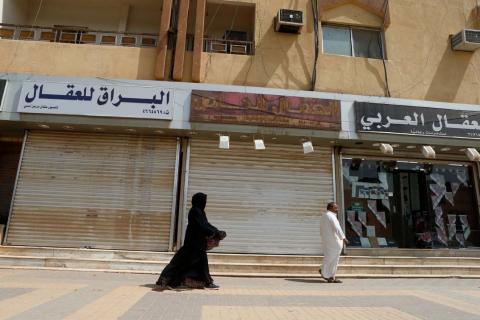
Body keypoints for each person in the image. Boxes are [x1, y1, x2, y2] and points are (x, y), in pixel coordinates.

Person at [156, 192, 226, 290]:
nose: (205, 202)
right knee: (185, 263)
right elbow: (202, 225)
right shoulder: (195, 211)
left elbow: (206, 224)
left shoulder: (200, 211)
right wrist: (215, 232)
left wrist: (216, 231)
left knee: (197, 263)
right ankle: (171, 281)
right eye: (203, 200)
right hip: (193, 244)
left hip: (198, 243)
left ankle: (205, 282)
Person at [319, 202, 348, 283]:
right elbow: (337, 228)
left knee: (332, 257)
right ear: (330, 208)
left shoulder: (324, 216)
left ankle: (331, 276)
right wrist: (344, 238)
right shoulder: (330, 216)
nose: (337, 209)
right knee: (332, 257)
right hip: (334, 240)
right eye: (336, 208)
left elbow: (321, 230)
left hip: (328, 240)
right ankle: (324, 271)